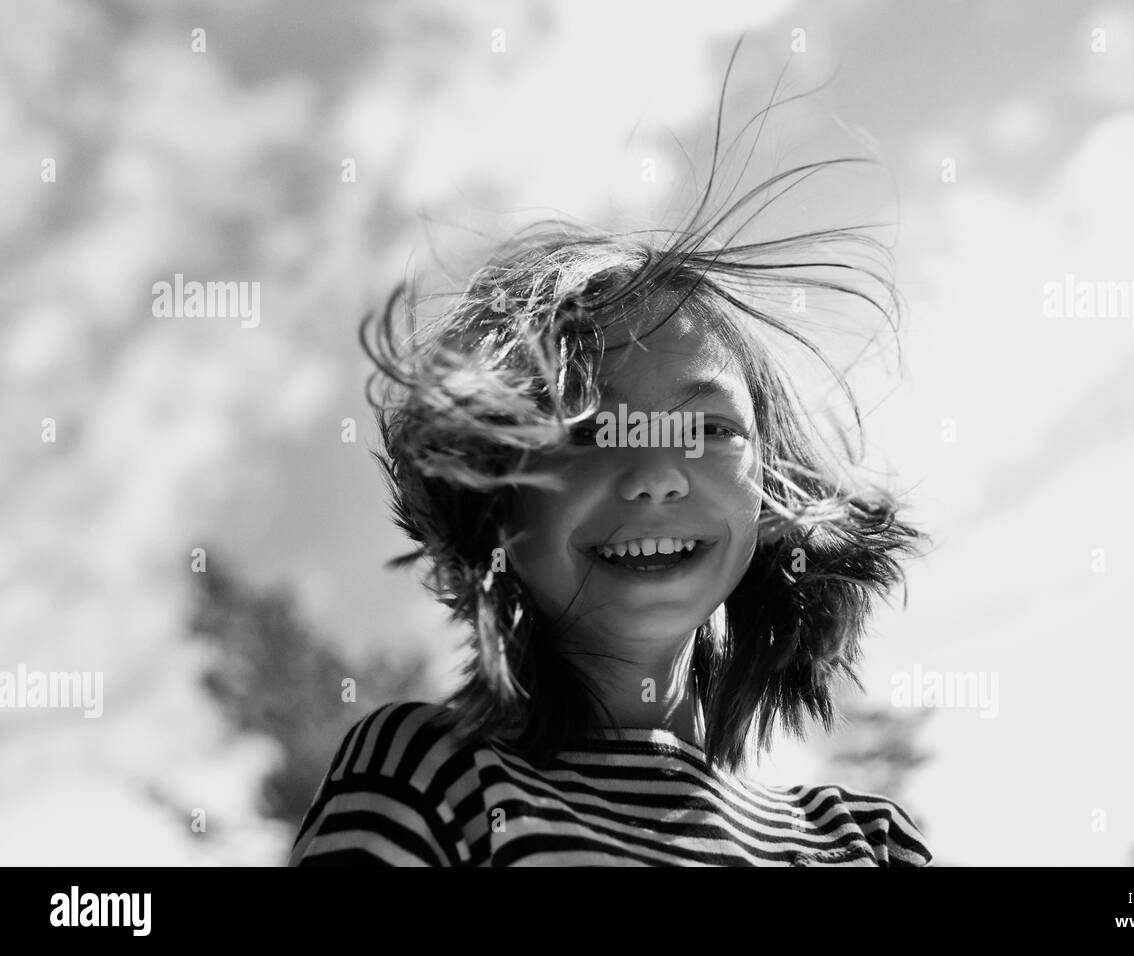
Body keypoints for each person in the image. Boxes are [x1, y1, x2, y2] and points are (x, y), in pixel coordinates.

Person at [290, 44, 933, 867]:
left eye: (706, 431)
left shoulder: (863, 840)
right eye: (592, 431)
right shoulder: (431, 778)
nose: (658, 472)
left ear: (773, 495)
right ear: (500, 505)